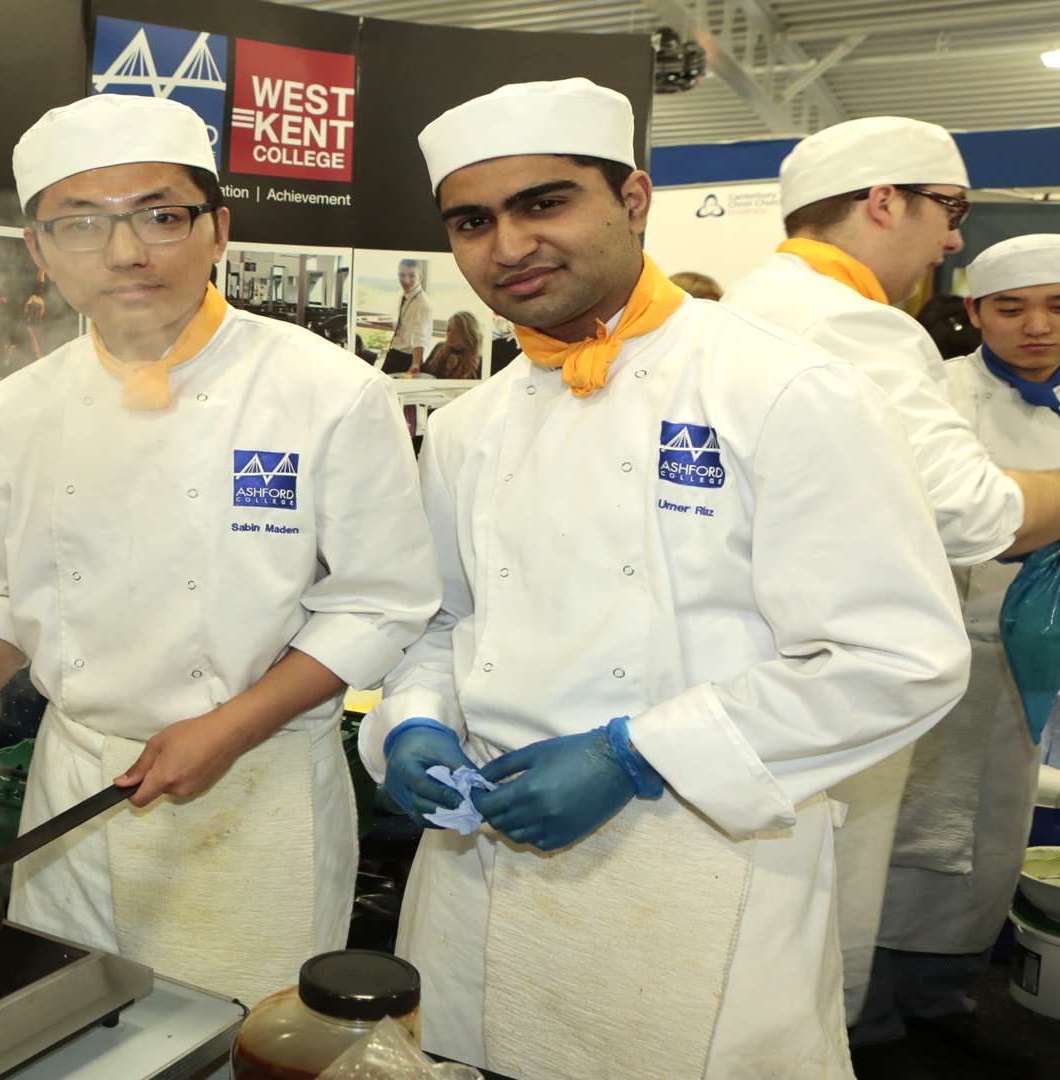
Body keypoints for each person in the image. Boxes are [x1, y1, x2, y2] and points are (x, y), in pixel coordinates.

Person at [361, 78, 969, 1079]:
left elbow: (900, 658)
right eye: (474, 221)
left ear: (634, 200)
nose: (508, 246)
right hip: (484, 872)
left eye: (544, 203)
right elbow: (442, 622)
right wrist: (414, 720)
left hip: (704, 860)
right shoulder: (471, 425)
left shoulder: (783, 387)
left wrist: (634, 756)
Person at [0, 94, 442, 1005]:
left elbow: (381, 602)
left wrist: (230, 726)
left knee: (240, 1038)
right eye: (83, 224)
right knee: (69, 1027)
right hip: (73, 785)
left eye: (162, 217)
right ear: (39, 250)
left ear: (219, 230)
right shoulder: (22, 406)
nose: (126, 253)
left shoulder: (326, 390)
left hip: (255, 791)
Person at [723, 117, 1060, 1033]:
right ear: (883, 201)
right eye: (947, 209)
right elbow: (971, 512)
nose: (953, 238)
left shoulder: (752, 303)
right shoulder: (849, 322)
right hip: (820, 682)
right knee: (805, 952)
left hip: (762, 677)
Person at [859, 235, 1060, 1072]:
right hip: (938, 657)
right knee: (904, 836)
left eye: (1056, 307)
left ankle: (949, 993)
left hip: (1035, 668)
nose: (1036, 326)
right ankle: (870, 1009)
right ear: (973, 311)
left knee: (992, 843)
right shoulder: (933, 395)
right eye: (1010, 307)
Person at [381, 258, 432, 374]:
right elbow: (403, 323)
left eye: (412, 275)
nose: (406, 280)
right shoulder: (405, 296)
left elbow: (420, 339)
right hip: (395, 352)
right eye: (402, 275)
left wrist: (415, 364)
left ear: (420, 277)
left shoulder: (422, 304)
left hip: (407, 359)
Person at [417, 311, 481, 380]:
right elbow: (424, 373)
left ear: (467, 334)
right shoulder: (439, 347)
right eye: (448, 330)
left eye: (456, 332)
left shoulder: (477, 361)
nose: (450, 335)